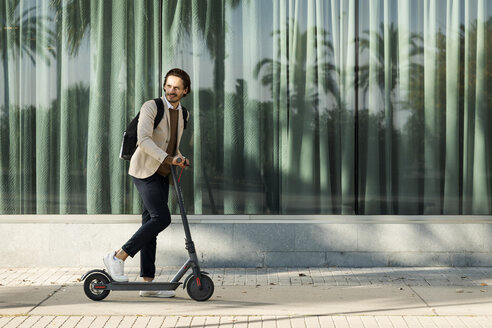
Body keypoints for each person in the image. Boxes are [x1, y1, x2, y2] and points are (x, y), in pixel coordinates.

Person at [103, 68, 191, 298]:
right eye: (168, 86)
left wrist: (178, 158)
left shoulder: (184, 114)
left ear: (185, 91)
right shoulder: (151, 107)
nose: (171, 91)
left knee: (151, 226)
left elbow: (171, 144)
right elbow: (144, 140)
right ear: (164, 87)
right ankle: (117, 256)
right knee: (161, 218)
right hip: (144, 171)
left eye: (177, 88)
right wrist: (169, 158)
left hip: (163, 173)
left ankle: (148, 283)